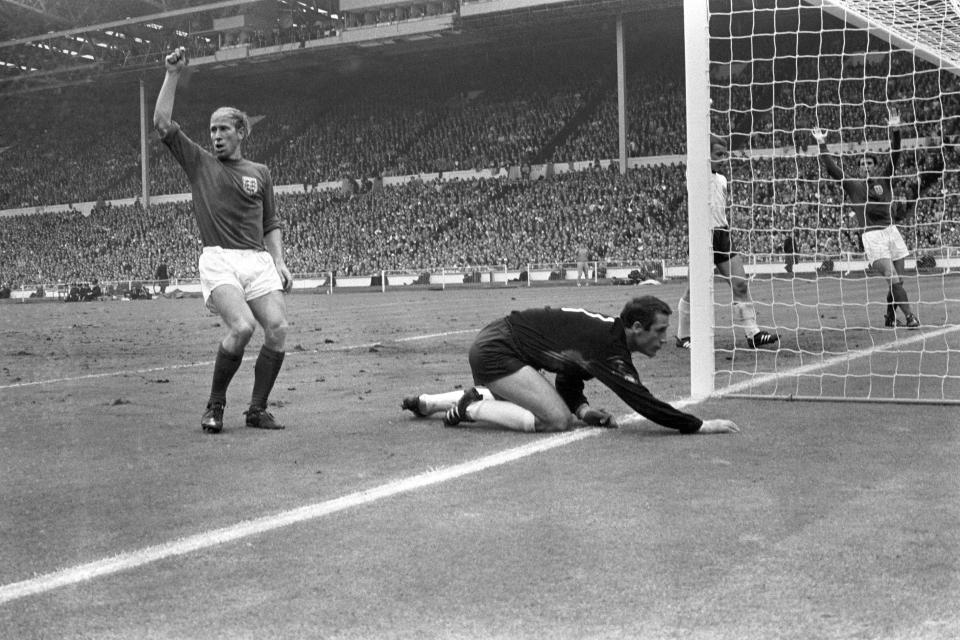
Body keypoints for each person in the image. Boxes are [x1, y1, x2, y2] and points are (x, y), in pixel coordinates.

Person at [154, 46, 292, 433]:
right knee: (242, 327)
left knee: (278, 329)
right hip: (220, 259)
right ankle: (215, 406)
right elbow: (162, 122)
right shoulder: (199, 162)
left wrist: (279, 260)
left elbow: (271, 222)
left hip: (257, 260)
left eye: (223, 129)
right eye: (212, 129)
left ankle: (257, 410)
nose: (215, 136)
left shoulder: (260, 172)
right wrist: (172, 74)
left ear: (241, 132)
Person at [401, 296, 740, 435]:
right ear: (637, 328)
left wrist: (584, 410)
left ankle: (432, 402)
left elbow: (567, 377)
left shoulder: (606, 335)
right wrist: (697, 425)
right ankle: (471, 407)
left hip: (502, 345)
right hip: (498, 349)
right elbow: (642, 400)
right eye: (661, 331)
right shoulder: (611, 348)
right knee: (555, 420)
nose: (664, 339)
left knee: (558, 408)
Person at [812, 108, 919, 328]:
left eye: (869, 163)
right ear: (859, 168)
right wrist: (822, 143)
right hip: (873, 236)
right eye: (862, 164)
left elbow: (896, 153)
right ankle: (910, 317)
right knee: (891, 276)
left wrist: (896, 130)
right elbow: (832, 168)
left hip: (892, 232)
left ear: (874, 165)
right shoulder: (854, 186)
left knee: (898, 281)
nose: (866, 166)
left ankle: (890, 314)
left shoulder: (884, 179)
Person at [676, 135, 779, 349]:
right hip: (701, 236)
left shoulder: (722, 180)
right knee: (695, 289)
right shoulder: (695, 173)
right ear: (705, 155)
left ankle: (753, 334)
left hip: (722, 235)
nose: (723, 158)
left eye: (725, 154)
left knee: (740, 283)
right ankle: (683, 336)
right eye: (718, 154)